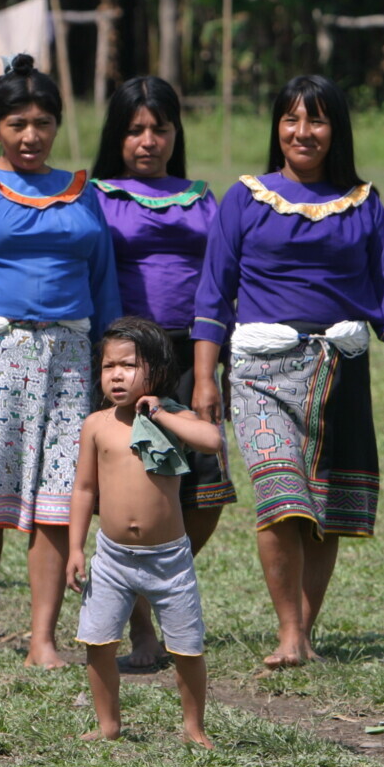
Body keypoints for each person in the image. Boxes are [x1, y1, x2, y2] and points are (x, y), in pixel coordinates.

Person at [192, 75, 384, 669]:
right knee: (280, 496)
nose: (302, 132)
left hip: (339, 369)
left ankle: (304, 631)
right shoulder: (245, 197)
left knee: (327, 507)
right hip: (260, 371)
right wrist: (202, 378)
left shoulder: (364, 202)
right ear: (276, 127)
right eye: (291, 119)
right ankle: (288, 632)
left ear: (335, 130)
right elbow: (214, 292)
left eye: (316, 120)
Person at [0, 53, 121, 667]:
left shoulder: (82, 194)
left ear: (58, 124)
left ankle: (43, 637)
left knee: (61, 500)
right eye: (16, 123)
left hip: (69, 360)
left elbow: (103, 279)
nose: (30, 135)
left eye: (42, 122)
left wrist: (111, 363)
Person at [91, 75, 237, 668]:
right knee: (130, 486)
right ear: (117, 136)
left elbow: (222, 277)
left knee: (205, 489)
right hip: (123, 358)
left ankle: (152, 583)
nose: (148, 141)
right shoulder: (94, 194)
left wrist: (211, 367)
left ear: (177, 133)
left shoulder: (203, 195)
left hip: (191, 353)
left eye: (160, 129)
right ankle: (143, 629)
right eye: (135, 130)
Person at [66, 318, 219, 748]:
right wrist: (75, 546)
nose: (116, 374)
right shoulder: (96, 424)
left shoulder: (172, 415)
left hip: (168, 560)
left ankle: (194, 727)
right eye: (108, 366)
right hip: (112, 557)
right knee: (98, 643)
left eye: (129, 365)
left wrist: (164, 413)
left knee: (187, 648)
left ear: (157, 368)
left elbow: (210, 440)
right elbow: (84, 488)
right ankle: (108, 724)